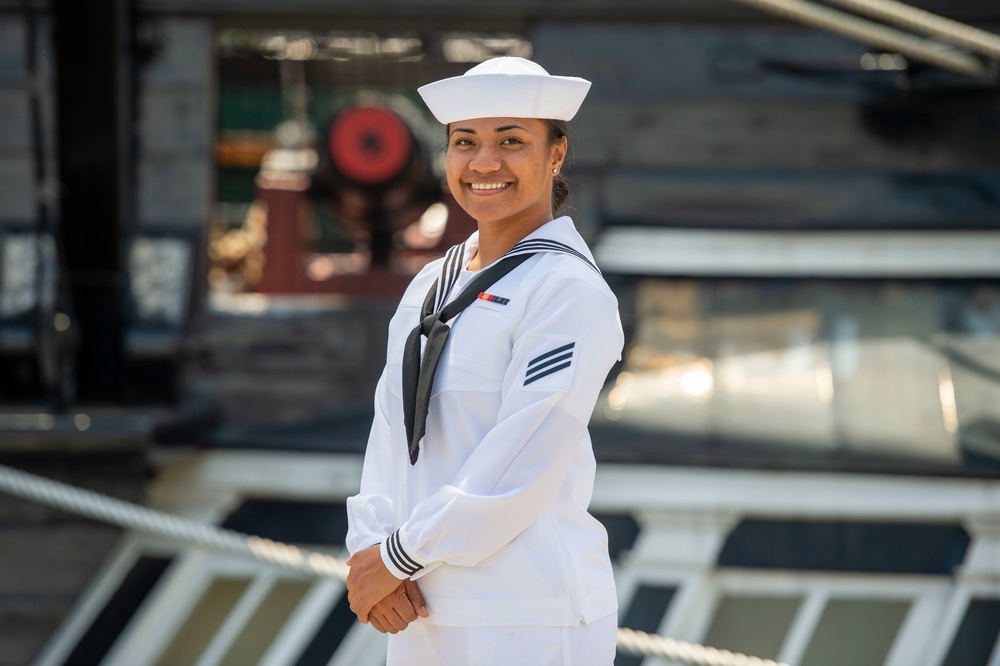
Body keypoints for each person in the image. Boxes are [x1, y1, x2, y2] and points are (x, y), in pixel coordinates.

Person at [345, 56, 624, 665]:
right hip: (420, 610)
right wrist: (368, 547)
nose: (484, 163)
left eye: (511, 142)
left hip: (528, 617)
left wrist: (392, 558)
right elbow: (387, 433)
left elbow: (519, 465)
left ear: (556, 155)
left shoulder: (566, 291)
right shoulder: (430, 284)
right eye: (465, 142)